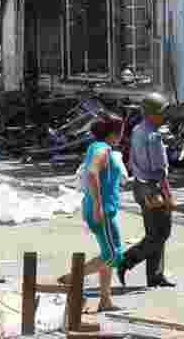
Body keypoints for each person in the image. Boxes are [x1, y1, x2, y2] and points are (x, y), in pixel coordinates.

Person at [58, 112, 125, 312]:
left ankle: (105, 300)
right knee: (114, 255)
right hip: (101, 209)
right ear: (114, 133)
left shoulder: (99, 147)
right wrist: (97, 206)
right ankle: (71, 278)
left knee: (109, 253)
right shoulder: (102, 149)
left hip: (105, 208)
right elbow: (91, 173)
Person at [118, 92, 176, 289]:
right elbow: (159, 169)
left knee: (154, 233)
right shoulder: (153, 135)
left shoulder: (138, 129)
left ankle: (155, 276)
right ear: (152, 114)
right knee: (162, 233)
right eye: (162, 112)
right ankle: (127, 260)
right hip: (153, 187)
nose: (164, 116)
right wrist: (167, 193)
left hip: (140, 186)